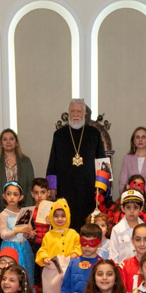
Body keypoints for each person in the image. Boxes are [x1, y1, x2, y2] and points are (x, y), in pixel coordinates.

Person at [46, 99, 107, 231]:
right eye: (72, 111)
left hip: (88, 187)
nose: (76, 114)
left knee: (88, 220)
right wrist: (52, 186)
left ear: (84, 113)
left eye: (79, 111)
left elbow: (102, 161)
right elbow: (53, 162)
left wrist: (101, 188)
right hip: (66, 187)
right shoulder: (59, 135)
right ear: (68, 113)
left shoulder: (94, 134)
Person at [36, 198, 81, 293]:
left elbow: (79, 246)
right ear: (51, 216)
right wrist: (44, 258)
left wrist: (75, 253)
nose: (59, 219)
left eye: (63, 215)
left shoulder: (73, 233)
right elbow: (43, 250)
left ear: (68, 216)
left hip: (70, 270)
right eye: (56, 216)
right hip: (54, 272)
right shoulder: (48, 235)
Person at [0, 128, 35, 214]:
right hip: (1, 208)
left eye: (11, 139)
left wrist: (27, 207)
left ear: (16, 143)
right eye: (5, 139)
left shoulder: (25, 161)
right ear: (1, 144)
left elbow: (30, 184)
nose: (8, 142)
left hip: (22, 208)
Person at [119, 126, 146, 208]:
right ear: (133, 141)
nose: (140, 140)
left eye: (143, 137)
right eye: (137, 137)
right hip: (131, 203)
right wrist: (129, 199)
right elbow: (123, 182)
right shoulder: (127, 158)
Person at [0, 181, 36, 276]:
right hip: (9, 248)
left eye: (15, 194)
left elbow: (25, 235)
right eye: (9, 194)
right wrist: (18, 230)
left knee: (24, 273)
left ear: (21, 197)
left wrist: (29, 234)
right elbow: (3, 235)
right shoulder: (4, 214)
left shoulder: (24, 213)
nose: (12, 197)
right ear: (4, 196)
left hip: (23, 248)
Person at [61, 223, 103, 293]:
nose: (87, 246)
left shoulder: (102, 264)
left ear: (99, 243)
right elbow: (65, 287)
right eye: (84, 242)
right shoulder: (73, 262)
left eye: (92, 243)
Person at [108, 189, 146, 264]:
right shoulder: (117, 230)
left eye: (135, 207)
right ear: (122, 208)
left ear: (141, 208)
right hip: (122, 272)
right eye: (128, 207)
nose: (132, 211)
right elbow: (113, 257)